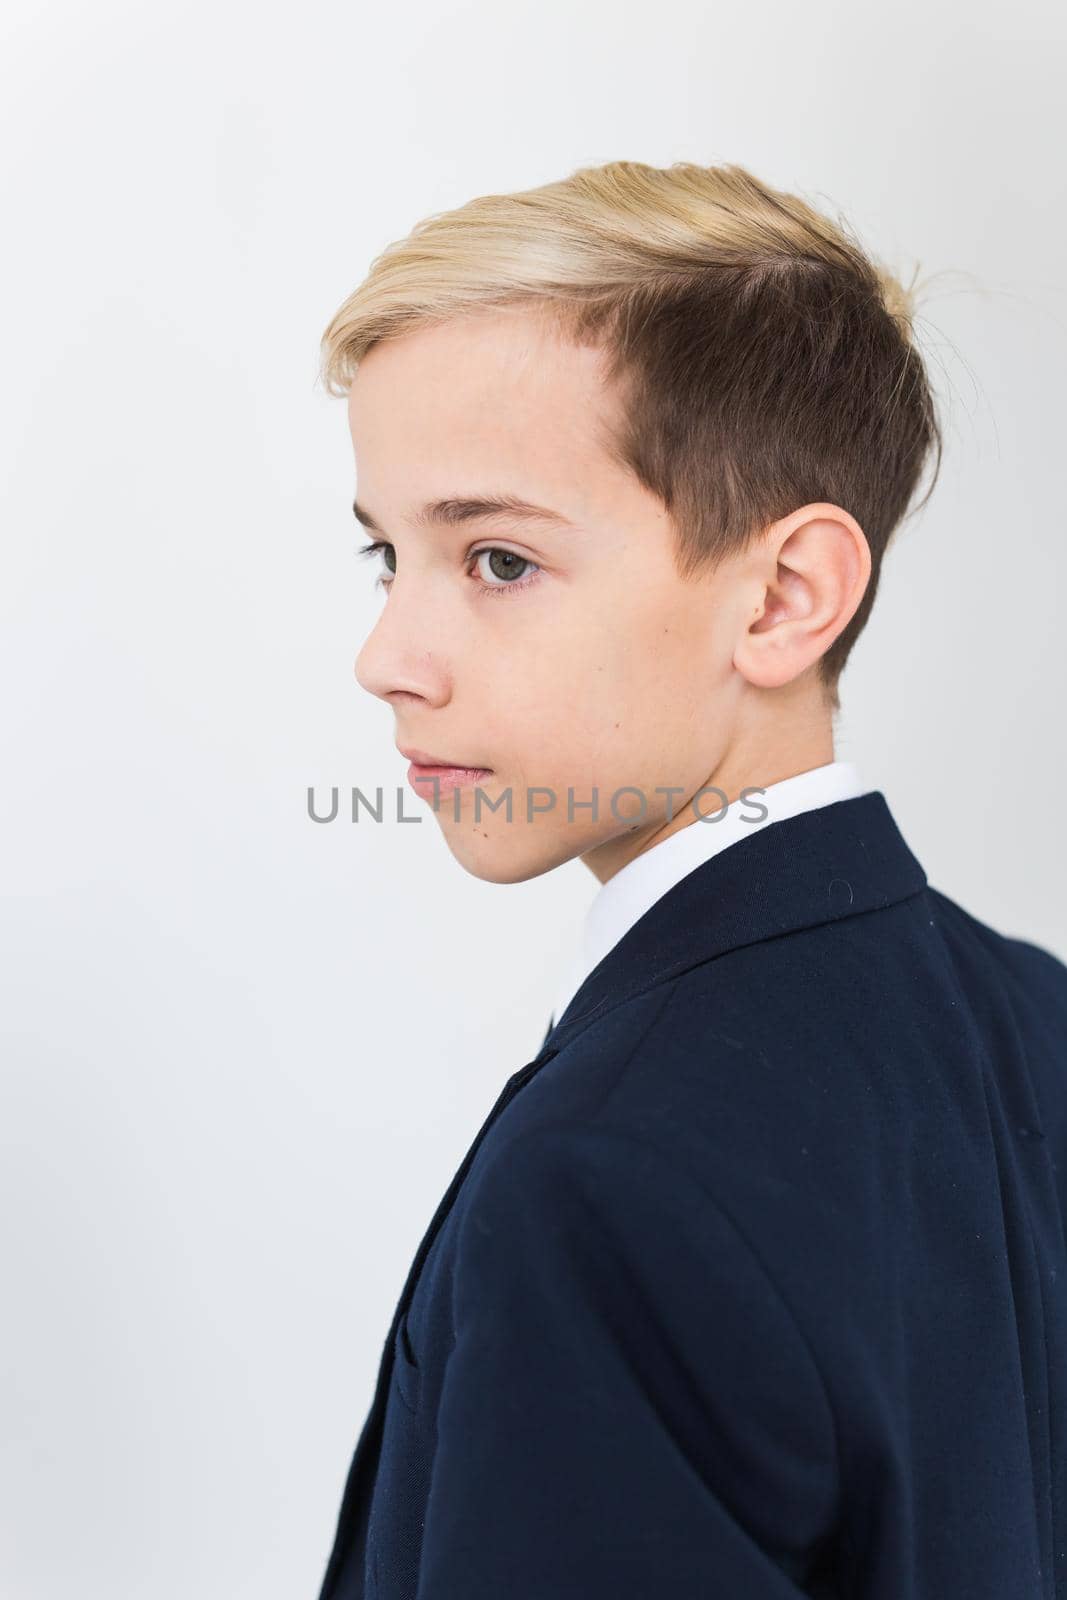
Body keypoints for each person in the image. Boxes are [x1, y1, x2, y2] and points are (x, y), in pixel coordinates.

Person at [313, 160, 1067, 1598]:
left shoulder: (607, 1178)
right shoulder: (1036, 1023)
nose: (388, 659)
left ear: (785, 598)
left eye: (496, 559)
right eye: (384, 557)